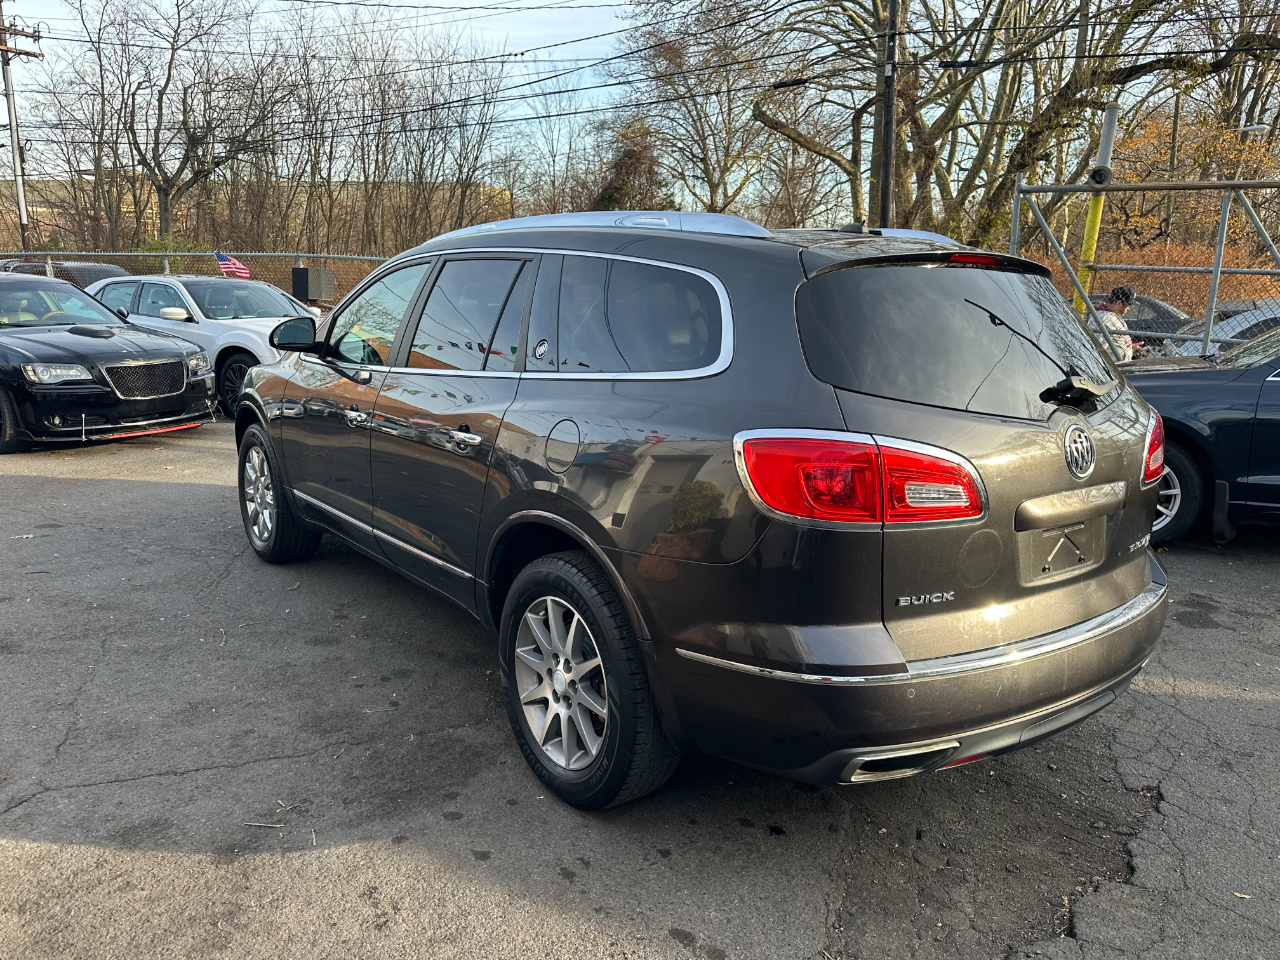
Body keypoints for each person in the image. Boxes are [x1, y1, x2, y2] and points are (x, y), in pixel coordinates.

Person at [1093, 285, 1144, 361]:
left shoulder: (1112, 316)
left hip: (1119, 365)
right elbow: (1097, 349)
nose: (1129, 308)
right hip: (1111, 367)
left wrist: (1130, 348)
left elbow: (1114, 343)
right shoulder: (1103, 319)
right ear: (1119, 303)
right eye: (1128, 304)